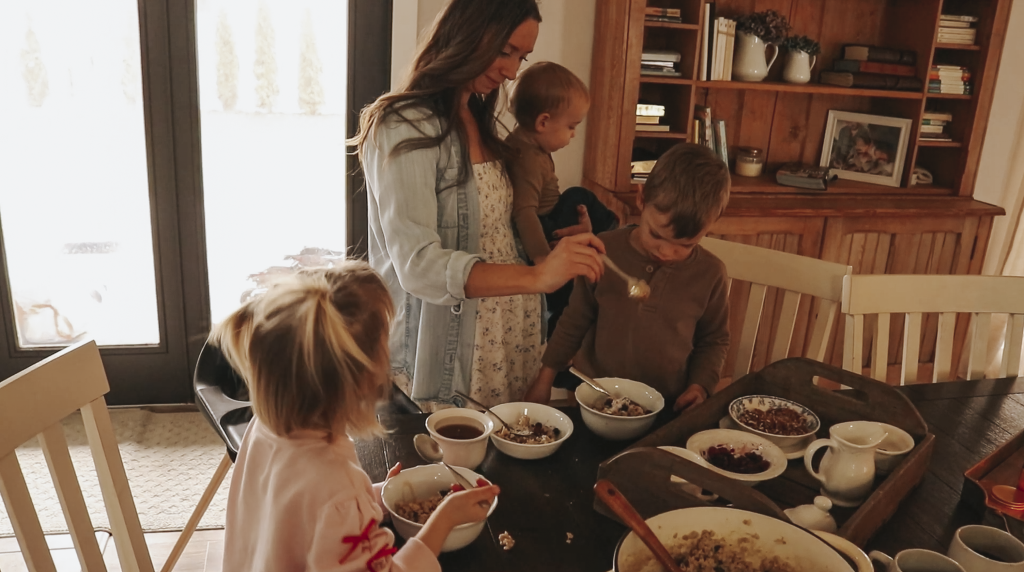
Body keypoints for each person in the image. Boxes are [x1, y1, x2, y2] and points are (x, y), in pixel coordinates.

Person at [351, 0, 606, 410]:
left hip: (507, 338)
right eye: (505, 51)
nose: (512, 71)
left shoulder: (479, 119)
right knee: (450, 469)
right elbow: (418, 266)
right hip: (453, 352)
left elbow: (494, 233)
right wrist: (538, 277)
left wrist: (555, 243)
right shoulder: (403, 125)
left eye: (521, 57)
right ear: (467, 32)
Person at [213, 262, 500, 572]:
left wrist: (371, 497)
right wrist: (444, 519)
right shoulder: (337, 491)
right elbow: (333, 507)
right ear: (363, 378)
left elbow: (301, 517)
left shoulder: (266, 427)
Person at [523, 143, 731, 413]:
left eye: (686, 245)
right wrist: (545, 379)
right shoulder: (603, 250)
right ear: (641, 198)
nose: (666, 252)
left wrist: (701, 386)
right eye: (656, 235)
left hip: (665, 407)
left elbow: (713, 340)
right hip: (593, 400)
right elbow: (575, 319)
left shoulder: (710, 274)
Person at [506, 61, 619, 336]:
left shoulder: (525, 144)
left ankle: (609, 239)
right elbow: (524, 212)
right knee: (578, 195)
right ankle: (615, 235)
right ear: (543, 122)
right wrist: (543, 258)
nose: (573, 134)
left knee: (577, 197)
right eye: (571, 126)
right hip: (546, 224)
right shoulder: (528, 159)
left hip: (550, 219)